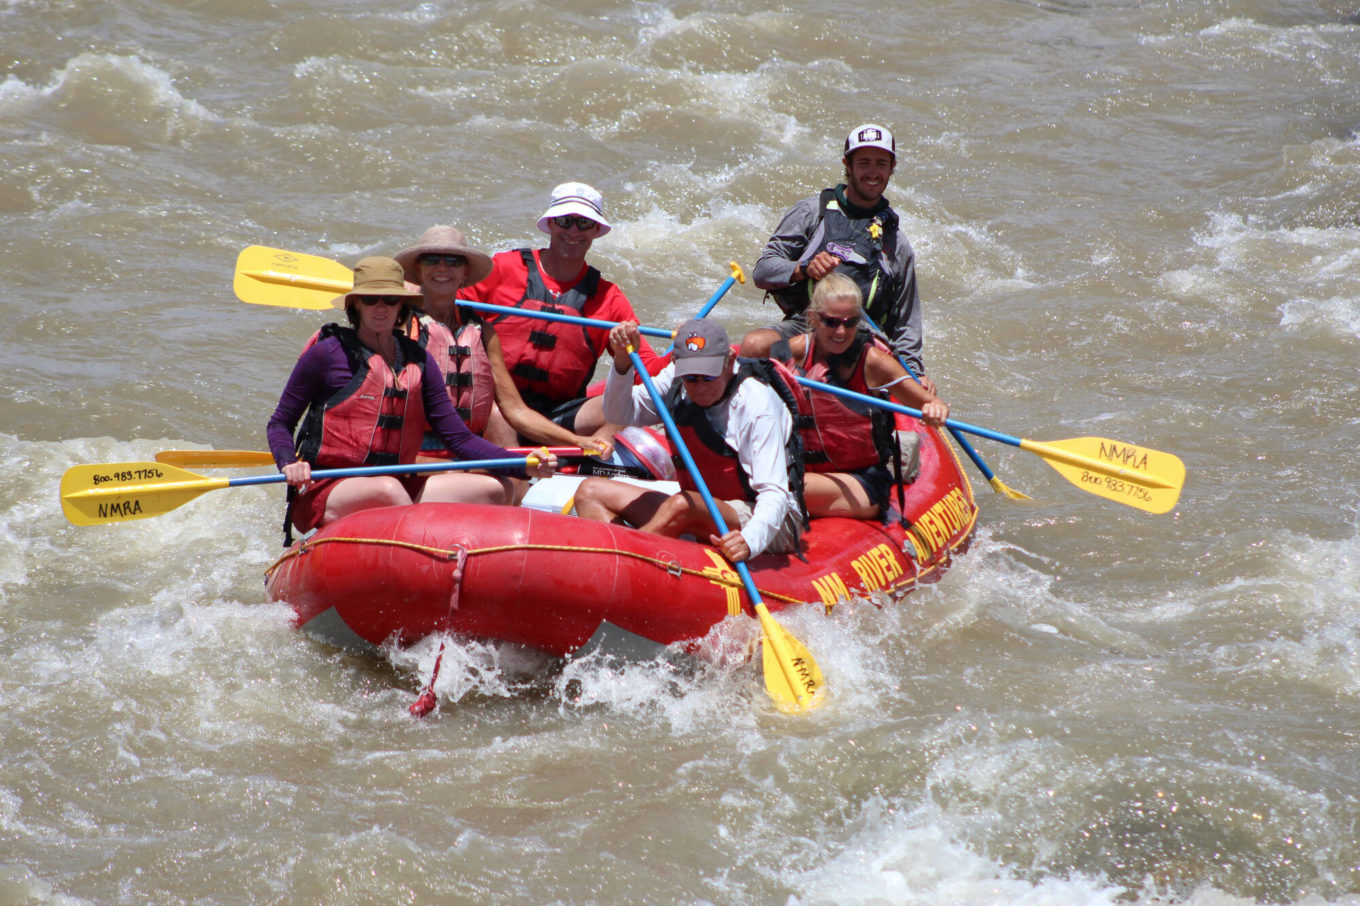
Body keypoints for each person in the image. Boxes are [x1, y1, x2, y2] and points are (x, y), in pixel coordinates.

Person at [266, 256, 556, 535]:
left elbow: (459, 439)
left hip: (398, 482)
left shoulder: (417, 358)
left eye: (390, 300)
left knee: (496, 489)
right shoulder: (327, 353)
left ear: (401, 305)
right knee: (386, 491)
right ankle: (422, 545)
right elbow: (280, 422)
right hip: (329, 486)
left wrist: (522, 465)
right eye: (370, 299)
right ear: (356, 305)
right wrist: (289, 462)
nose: (381, 308)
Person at [572, 318, 802, 564]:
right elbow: (620, 414)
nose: (700, 387)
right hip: (703, 506)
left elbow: (774, 494)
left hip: (770, 520)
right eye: (691, 378)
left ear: (729, 363)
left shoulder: (756, 403)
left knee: (683, 505)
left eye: (708, 377)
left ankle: (621, 563)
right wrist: (622, 362)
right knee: (590, 491)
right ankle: (616, 567)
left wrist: (748, 541)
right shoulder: (675, 379)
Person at [458, 181, 663, 438]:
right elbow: (446, 312)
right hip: (493, 402)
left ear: (596, 229)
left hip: (559, 413)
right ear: (551, 224)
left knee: (624, 409)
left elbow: (648, 370)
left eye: (584, 223)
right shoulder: (502, 268)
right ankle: (519, 469)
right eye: (565, 221)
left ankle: (592, 460)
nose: (574, 231)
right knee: (500, 418)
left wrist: (682, 353)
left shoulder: (608, 298)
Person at [744, 123, 935, 393]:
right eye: (864, 162)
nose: (872, 172)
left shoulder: (897, 243)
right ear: (847, 163)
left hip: (863, 339)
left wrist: (915, 375)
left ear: (892, 167)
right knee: (754, 345)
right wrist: (804, 269)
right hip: (808, 327)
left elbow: (907, 321)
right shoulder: (812, 212)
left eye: (881, 164)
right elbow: (762, 271)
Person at [392, 225, 613, 458]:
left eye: (453, 261)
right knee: (496, 486)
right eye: (432, 260)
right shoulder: (401, 325)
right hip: (410, 451)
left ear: (465, 273)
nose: (442, 267)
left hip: (467, 446)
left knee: (500, 434)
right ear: (418, 268)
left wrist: (577, 441)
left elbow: (516, 411)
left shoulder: (482, 332)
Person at [767, 273, 949, 520]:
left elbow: (930, 402)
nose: (841, 331)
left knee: (773, 485)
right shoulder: (795, 351)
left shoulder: (873, 362)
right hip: (804, 468)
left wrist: (936, 410)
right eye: (831, 322)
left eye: (850, 322)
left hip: (862, 481)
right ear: (813, 319)